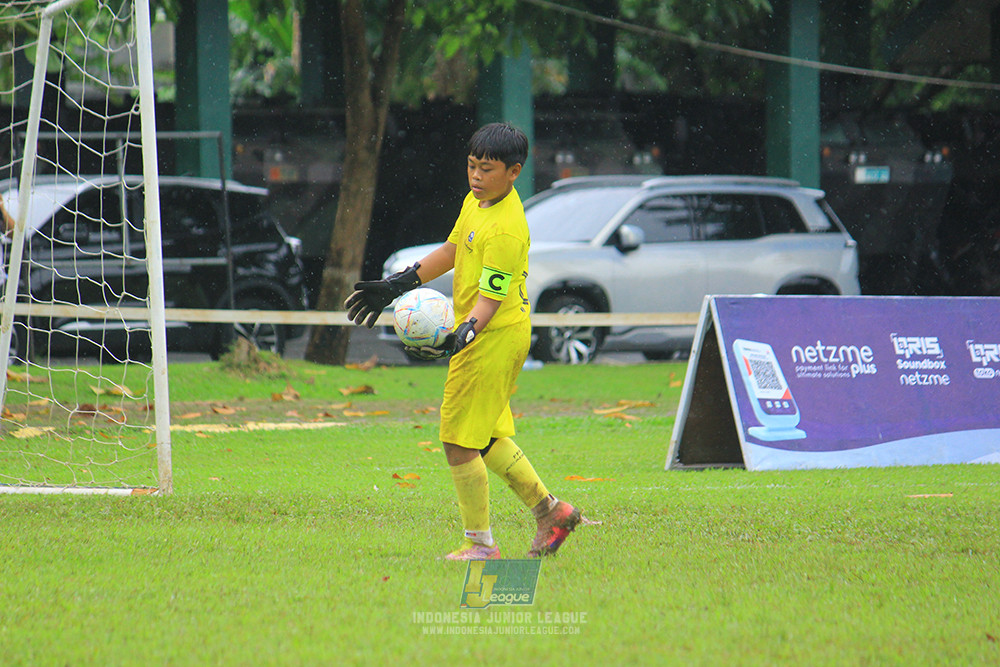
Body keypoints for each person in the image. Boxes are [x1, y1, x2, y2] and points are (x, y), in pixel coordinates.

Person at [345, 122, 582, 560]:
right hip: (492, 334)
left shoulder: (507, 228)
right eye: (471, 166)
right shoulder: (477, 203)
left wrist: (463, 333)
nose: (475, 177)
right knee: (486, 438)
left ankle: (480, 545)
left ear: (514, 172)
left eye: (486, 169)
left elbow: (491, 299)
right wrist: (397, 284)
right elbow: (452, 250)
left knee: (458, 439)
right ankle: (552, 511)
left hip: (493, 335)